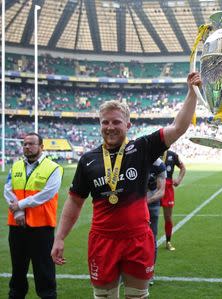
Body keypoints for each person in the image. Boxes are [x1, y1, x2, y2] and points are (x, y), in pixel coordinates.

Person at [50, 72, 201, 299]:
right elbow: (74, 201)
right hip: (103, 240)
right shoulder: (88, 160)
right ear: (100, 124)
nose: (110, 127)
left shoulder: (142, 148)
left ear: (128, 124)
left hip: (137, 238)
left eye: (116, 122)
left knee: (137, 296)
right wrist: (60, 237)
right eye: (105, 122)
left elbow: (178, 127)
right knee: (104, 297)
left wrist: (192, 92)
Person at [5, 132, 63, 299]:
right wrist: (18, 211)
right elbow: (7, 190)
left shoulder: (53, 168)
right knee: (17, 271)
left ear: (41, 147)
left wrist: (20, 205)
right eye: (24, 144)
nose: (27, 146)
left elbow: (47, 194)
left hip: (41, 227)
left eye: (31, 143)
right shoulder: (15, 166)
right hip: (17, 226)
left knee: (44, 272)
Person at [146, 157, 166, 285]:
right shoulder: (134, 159)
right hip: (133, 206)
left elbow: (161, 191)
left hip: (151, 205)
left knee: (152, 240)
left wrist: (145, 202)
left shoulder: (159, 165)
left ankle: (150, 273)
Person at [161, 149, 186, 251]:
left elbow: (183, 168)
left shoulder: (172, 155)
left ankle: (168, 241)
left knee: (168, 217)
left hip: (167, 188)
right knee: (148, 217)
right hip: (153, 187)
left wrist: (179, 180)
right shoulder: (151, 152)